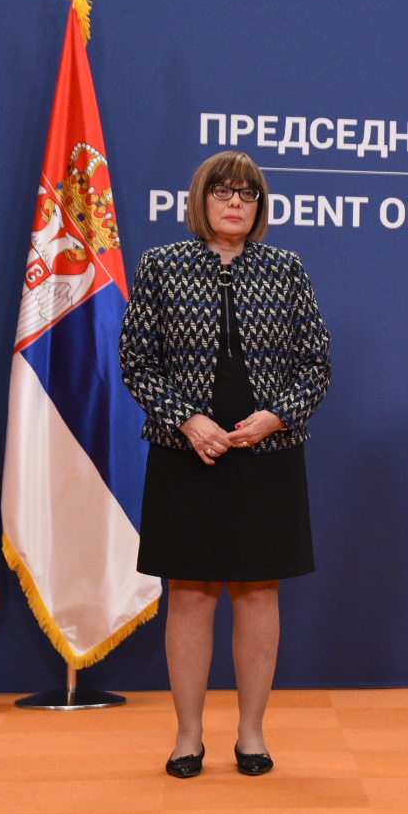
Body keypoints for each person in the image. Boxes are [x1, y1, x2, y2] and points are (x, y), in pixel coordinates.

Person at [120, 151, 332, 778]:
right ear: (202, 201)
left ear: (260, 206)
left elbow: (315, 365)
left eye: (247, 193)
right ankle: (188, 736)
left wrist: (276, 416)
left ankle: (251, 734)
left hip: (266, 454)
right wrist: (188, 420)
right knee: (187, 594)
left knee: (258, 592)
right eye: (223, 192)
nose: (235, 202)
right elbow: (137, 361)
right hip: (186, 455)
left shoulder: (286, 270)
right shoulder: (162, 266)